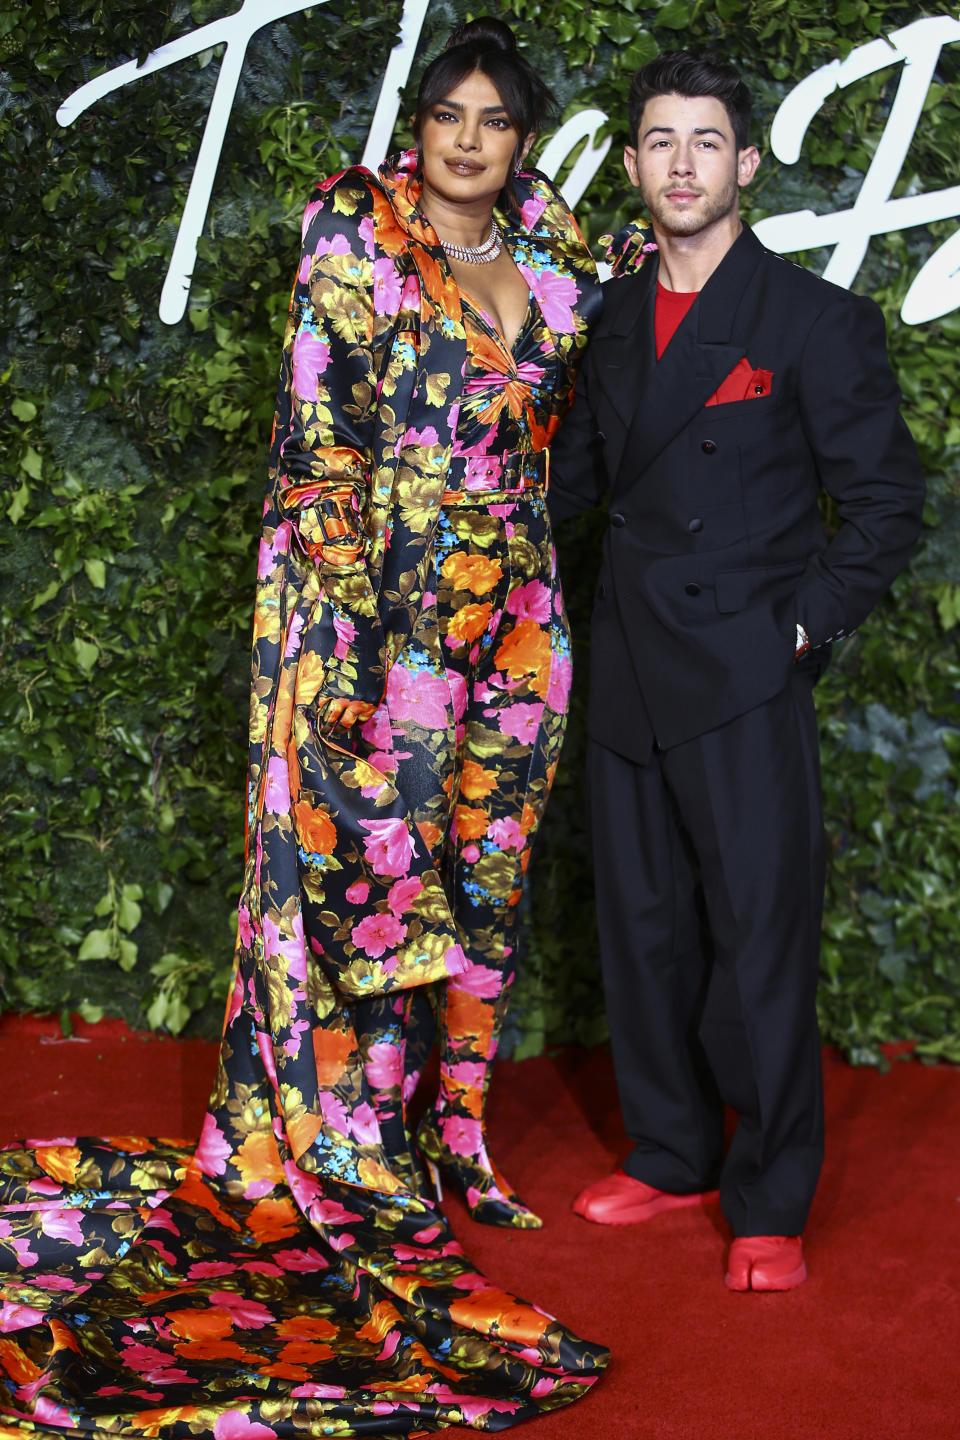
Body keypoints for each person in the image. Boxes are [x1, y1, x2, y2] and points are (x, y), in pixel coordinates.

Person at [0, 19, 609, 1434]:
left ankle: (441, 1132)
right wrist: (347, 649)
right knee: (358, 885)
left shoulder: (555, 255)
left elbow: (576, 393)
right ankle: (350, 1150)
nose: (468, 139)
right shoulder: (357, 223)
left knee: (482, 878)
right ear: (422, 125)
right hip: (366, 625)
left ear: (525, 139)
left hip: (514, 622)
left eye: (496, 120)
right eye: (449, 113)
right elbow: (319, 435)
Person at [548, 49, 925, 1291]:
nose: (682, 164)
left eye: (705, 142)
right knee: (643, 925)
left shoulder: (811, 320)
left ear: (746, 165)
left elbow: (884, 506)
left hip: (747, 672)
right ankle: (668, 1150)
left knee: (757, 940)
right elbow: (576, 494)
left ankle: (769, 1199)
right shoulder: (601, 324)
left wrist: (798, 632)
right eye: (659, 142)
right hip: (631, 663)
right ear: (632, 164)